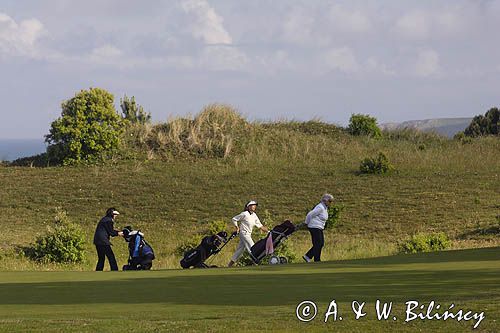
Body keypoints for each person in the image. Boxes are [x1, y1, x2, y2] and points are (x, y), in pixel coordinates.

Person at [228, 200, 268, 267]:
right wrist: (237, 227)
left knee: (240, 250)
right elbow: (234, 219)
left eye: (255, 205)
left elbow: (260, 226)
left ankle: (229, 265)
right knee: (253, 247)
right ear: (248, 206)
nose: (254, 206)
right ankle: (256, 263)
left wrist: (269, 231)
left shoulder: (254, 215)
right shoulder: (244, 214)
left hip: (248, 234)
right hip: (244, 233)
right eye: (253, 205)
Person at [303, 194, 334, 262]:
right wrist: (306, 223)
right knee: (319, 243)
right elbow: (310, 214)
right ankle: (308, 256)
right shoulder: (320, 207)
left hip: (319, 227)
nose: (331, 203)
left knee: (319, 244)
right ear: (325, 200)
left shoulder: (324, 208)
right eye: (330, 201)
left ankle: (316, 259)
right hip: (314, 227)